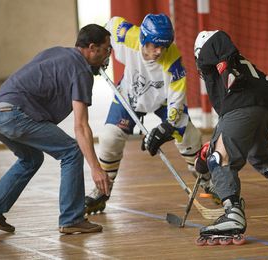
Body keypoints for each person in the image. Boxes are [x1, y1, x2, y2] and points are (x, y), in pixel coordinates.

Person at [0, 24, 112, 234]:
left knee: (31, 159)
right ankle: (71, 218)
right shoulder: (81, 71)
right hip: (13, 114)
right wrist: (96, 168)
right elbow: (81, 126)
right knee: (72, 151)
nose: (107, 56)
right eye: (106, 50)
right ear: (92, 48)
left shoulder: (58, 52)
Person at [193, 30, 268, 245]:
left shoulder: (211, 57)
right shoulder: (239, 69)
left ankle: (232, 213)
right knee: (257, 149)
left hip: (244, 100)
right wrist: (210, 146)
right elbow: (228, 125)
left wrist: (210, 154)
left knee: (219, 159)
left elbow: (216, 38)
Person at [84, 14, 202, 214]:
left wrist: (167, 127)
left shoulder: (173, 60)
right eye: (154, 45)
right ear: (143, 39)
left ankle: (207, 181)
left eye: (163, 46)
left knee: (191, 135)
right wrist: (99, 57)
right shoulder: (126, 35)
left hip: (163, 99)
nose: (159, 51)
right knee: (109, 138)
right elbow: (107, 28)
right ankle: (103, 190)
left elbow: (177, 98)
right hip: (130, 94)